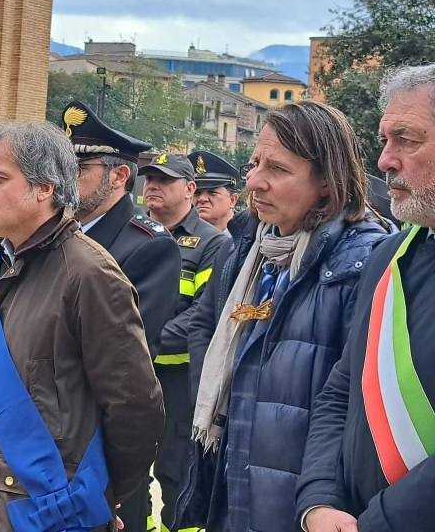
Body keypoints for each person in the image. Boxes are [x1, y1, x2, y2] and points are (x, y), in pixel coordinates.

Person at [170, 101, 391, 532]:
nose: (254, 181)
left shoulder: (362, 263)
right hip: (234, 493)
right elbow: (208, 332)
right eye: (254, 164)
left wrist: (321, 503)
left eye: (277, 168)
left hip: (307, 509)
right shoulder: (249, 251)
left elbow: (355, 409)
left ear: (327, 181)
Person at [0, 121, 164, 532]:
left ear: (44, 188)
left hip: (52, 515)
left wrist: (99, 494)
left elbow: (135, 407)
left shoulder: (89, 273)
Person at [295, 65, 435, 532]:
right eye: (385, 140)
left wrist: (379, 522)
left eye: (406, 140)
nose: (385, 161)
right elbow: (343, 388)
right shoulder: (389, 258)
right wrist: (318, 499)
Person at [136, 152, 226, 531]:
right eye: (149, 179)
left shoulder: (212, 244)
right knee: (128, 472)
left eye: (164, 180)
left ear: (190, 189)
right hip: (131, 377)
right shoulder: (132, 232)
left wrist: (136, 344)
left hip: (178, 382)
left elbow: (201, 317)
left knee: (176, 476)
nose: (153, 186)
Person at [63, 100, 180, 358]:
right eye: (63, 169)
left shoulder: (150, 247)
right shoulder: (61, 233)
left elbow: (123, 348)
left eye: (79, 169)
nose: (65, 180)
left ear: (118, 176)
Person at [189, 150, 242, 234]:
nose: (202, 199)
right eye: (196, 193)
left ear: (232, 200)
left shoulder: (251, 236)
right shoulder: (176, 236)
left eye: (212, 192)